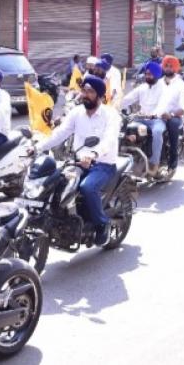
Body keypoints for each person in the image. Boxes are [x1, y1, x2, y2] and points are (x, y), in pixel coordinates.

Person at [33, 75, 119, 245]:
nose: (85, 95)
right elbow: (60, 133)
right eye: (84, 91)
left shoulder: (111, 115)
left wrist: (94, 154)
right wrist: (37, 147)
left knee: (87, 188)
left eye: (91, 92)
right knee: (53, 183)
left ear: (100, 96)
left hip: (103, 164)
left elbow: (109, 140)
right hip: (78, 162)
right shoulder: (77, 112)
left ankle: (102, 224)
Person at [121, 61, 166, 176]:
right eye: (146, 74)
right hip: (141, 118)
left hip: (157, 119)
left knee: (157, 132)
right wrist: (115, 106)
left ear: (156, 75)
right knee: (123, 128)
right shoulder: (142, 88)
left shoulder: (163, 88)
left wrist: (154, 114)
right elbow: (128, 99)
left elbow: (164, 105)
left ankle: (154, 163)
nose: (147, 76)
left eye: (150, 74)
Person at [155, 55, 184, 176]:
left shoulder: (181, 85)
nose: (168, 68)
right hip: (157, 116)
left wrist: (172, 114)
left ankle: (172, 163)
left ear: (175, 68)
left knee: (173, 125)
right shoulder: (158, 83)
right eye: (166, 66)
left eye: (171, 66)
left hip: (175, 117)